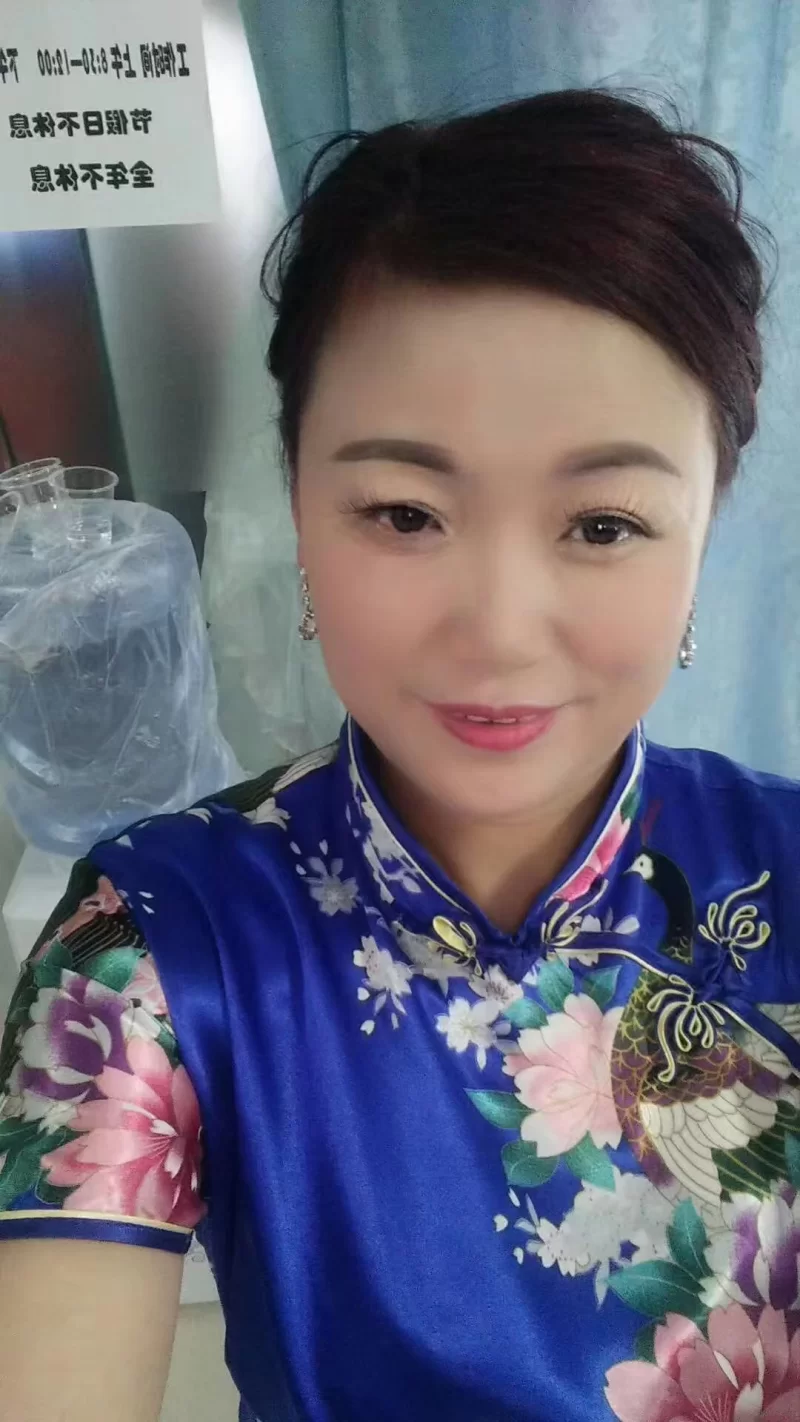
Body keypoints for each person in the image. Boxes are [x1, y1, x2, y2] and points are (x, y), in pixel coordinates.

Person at [0, 85, 796, 1422]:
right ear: (298, 500)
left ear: (705, 526)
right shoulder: (155, 940)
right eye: (405, 513)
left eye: (602, 524)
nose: (498, 629)